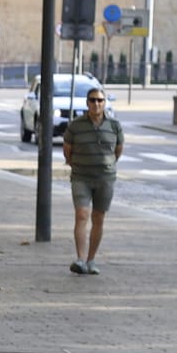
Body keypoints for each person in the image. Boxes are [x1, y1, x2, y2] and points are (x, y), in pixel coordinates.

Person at [62, 86, 123, 276]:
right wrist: (76, 165)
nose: (96, 103)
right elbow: (67, 150)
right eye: (92, 100)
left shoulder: (114, 126)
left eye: (100, 100)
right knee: (82, 214)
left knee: (99, 218)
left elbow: (118, 150)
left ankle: (91, 260)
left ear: (105, 103)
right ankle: (80, 259)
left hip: (105, 178)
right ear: (87, 103)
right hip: (81, 177)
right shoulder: (75, 125)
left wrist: (107, 165)